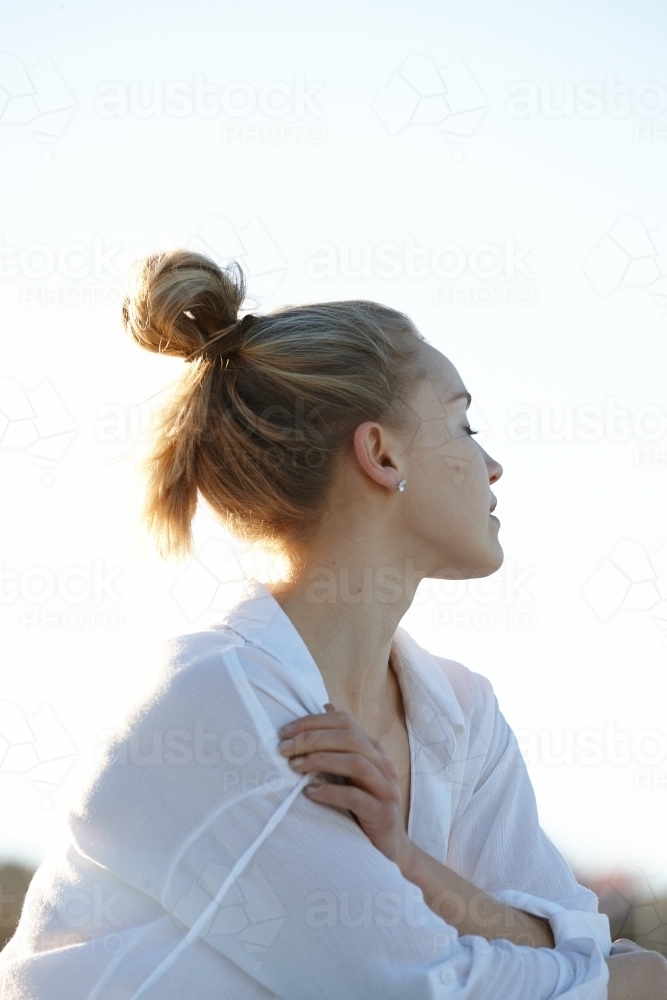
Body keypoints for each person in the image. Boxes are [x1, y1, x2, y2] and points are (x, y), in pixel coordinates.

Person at [2, 251, 666, 999]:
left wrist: (412, 866)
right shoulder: (212, 699)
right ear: (380, 454)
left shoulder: (462, 716)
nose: (492, 465)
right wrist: (617, 985)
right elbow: (408, 987)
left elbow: (571, 939)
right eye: (461, 421)